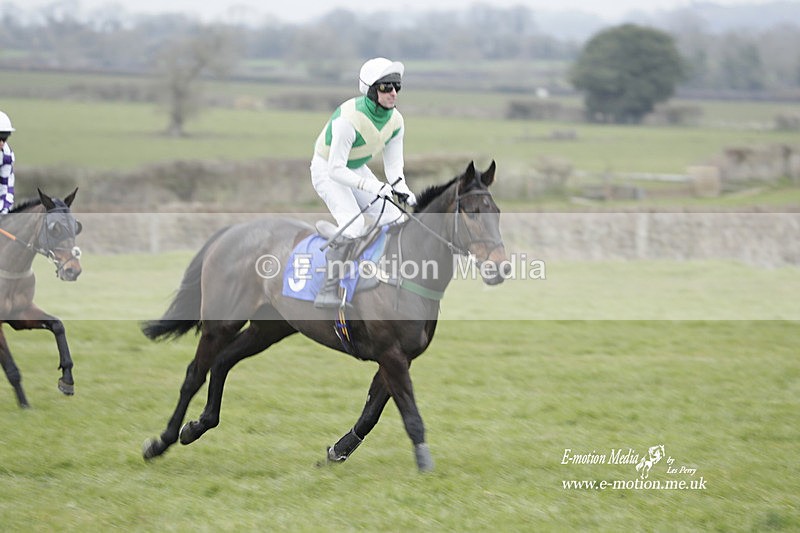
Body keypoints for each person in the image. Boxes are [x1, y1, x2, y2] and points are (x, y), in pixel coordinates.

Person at [310, 57, 417, 308]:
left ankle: (381, 274)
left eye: (397, 87)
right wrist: (373, 186)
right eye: (386, 87)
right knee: (355, 224)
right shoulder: (348, 120)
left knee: (396, 218)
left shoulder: (396, 121)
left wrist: (402, 189)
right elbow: (336, 169)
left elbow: (393, 167)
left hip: (355, 168)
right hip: (327, 169)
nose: (393, 93)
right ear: (371, 90)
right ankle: (327, 290)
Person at [0, 110, 15, 215]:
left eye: (4, 139)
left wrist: (3, 212)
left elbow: (5, 188)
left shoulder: (7, 155)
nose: (2, 143)